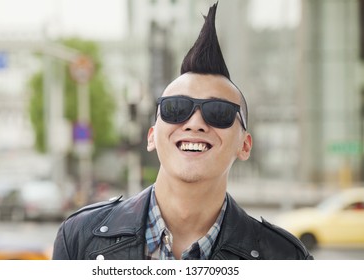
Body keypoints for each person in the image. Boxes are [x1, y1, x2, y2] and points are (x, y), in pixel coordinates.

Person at [52, 2, 313, 260]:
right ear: (151, 135)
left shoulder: (284, 257)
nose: (195, 123)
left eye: (218, 112)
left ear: (244, 145)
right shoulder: (80, 239)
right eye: (176, 109)